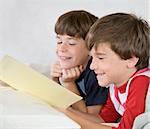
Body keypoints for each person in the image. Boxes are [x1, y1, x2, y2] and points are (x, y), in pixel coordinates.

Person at [59, 12, 150, 129]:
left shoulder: (141, 82)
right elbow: (103, 119)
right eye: (92, 58)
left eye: (101, 58)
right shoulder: (115, 85)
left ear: (131, 60)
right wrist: (65, 112)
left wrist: (70, 116)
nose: (92, 66)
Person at [50, 10, 108, 114]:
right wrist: (55, 80)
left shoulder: (96, 73)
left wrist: (69, 84)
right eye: (59, 41)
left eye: (71, 43)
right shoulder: (69, 65)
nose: (61, 48)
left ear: (91, 47)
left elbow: (90, 118)